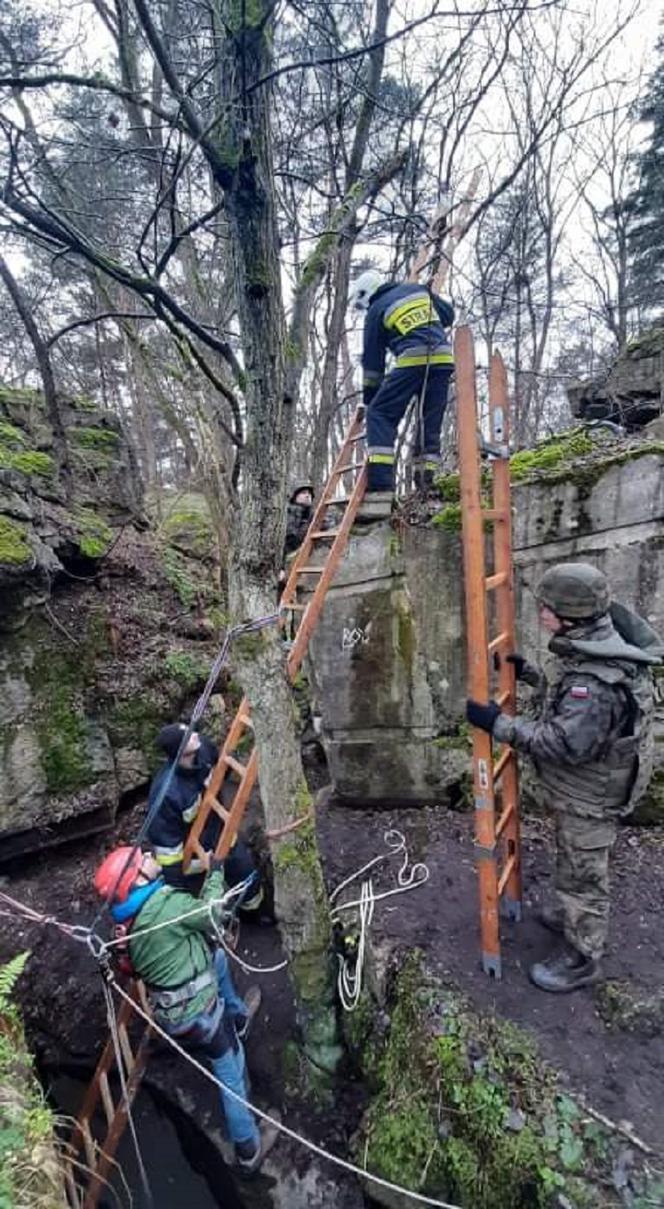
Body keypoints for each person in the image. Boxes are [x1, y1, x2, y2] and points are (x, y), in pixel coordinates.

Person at [466, 562, 661, 993]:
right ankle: (571, 917)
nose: (541, 613)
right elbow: (572, 706)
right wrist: (531, 675)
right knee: (573, 857)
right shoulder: (595, 645)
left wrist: (497, 725)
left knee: (583, 874)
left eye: (547, 608)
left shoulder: (595, 681)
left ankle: (583, 955)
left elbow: (563, 742)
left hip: (591, 797)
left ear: (570, 614)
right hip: (587, 787)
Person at [93, 846, 279, 1172]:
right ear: (136, 879)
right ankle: (249, 1148)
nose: (150, 857)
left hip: (172, 1013)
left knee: (218, 958)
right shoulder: (165, 907)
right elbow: (211, 912)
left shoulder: (126, 924)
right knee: (230, 1072)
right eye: (143, 860)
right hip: (201, 1013)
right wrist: (216, 870)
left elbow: (134, 969)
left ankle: (238, 1017)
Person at [348, 268, 455, 517]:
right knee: (429, 422)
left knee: (380, 415)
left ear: (367, 295)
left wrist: (370, 402)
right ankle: (426, 484)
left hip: (412, 359)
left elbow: (373, 366)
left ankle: (380, 492)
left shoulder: (376, 310)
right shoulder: (417, 290)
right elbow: (448, 315)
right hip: (443, 358)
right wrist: (425, 302)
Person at [146, 724, 266, 917]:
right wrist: (177, 891)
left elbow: (222, 769)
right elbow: (167, 848)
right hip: (193, 859)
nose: (195, 735)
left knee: (246, 876)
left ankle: (255, 912)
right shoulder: (166, 794)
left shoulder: (204, 749)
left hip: (222, 834)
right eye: (188, 736)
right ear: (179, 751)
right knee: (201, 904)